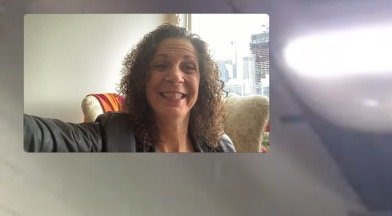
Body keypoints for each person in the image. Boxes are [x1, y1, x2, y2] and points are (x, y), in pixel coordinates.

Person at [24, 24, 235, 152]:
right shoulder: (110, 135)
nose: (175, 76)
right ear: (143, 79)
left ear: (202, 83)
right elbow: (43, 136)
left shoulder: (221, 147)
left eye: (188, 67)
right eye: (161, 65)